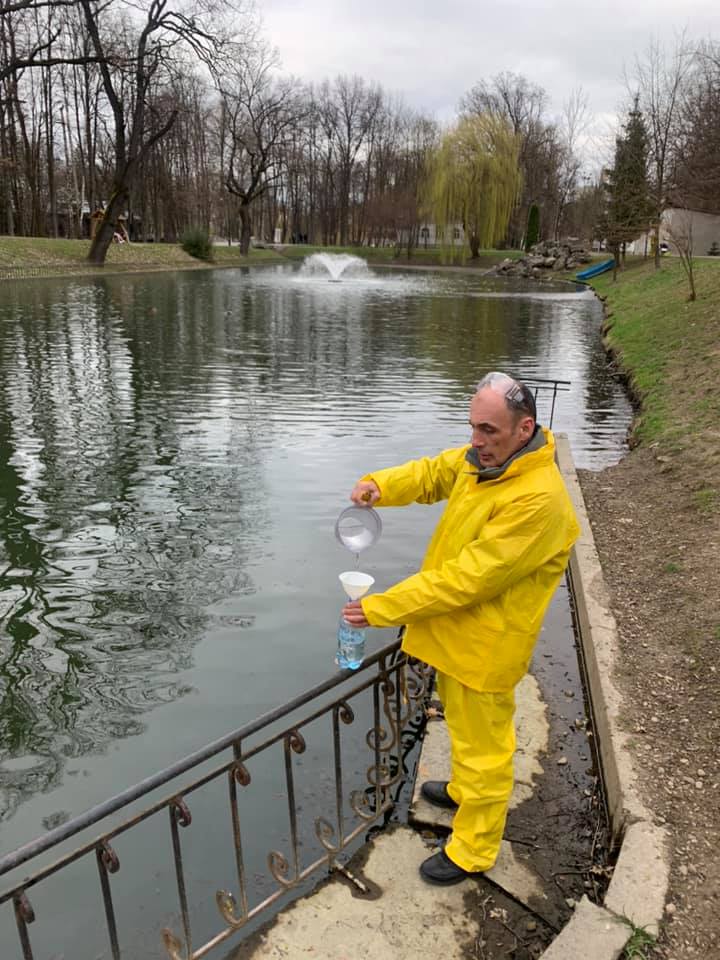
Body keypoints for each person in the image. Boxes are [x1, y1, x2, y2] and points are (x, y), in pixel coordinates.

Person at [342, 371, 580, 885]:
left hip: (486, 647)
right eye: (473, 427)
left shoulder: (537, 500)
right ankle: (461, 793)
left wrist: (387, 606)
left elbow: (468, 580)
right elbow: (433, 473)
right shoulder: (486, 462)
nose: (476, 441)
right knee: (465, 733)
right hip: (458, 637)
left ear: (525, 429)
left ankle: (473, 848)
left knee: (486, 751)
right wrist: (379, 486)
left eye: (489, 430)